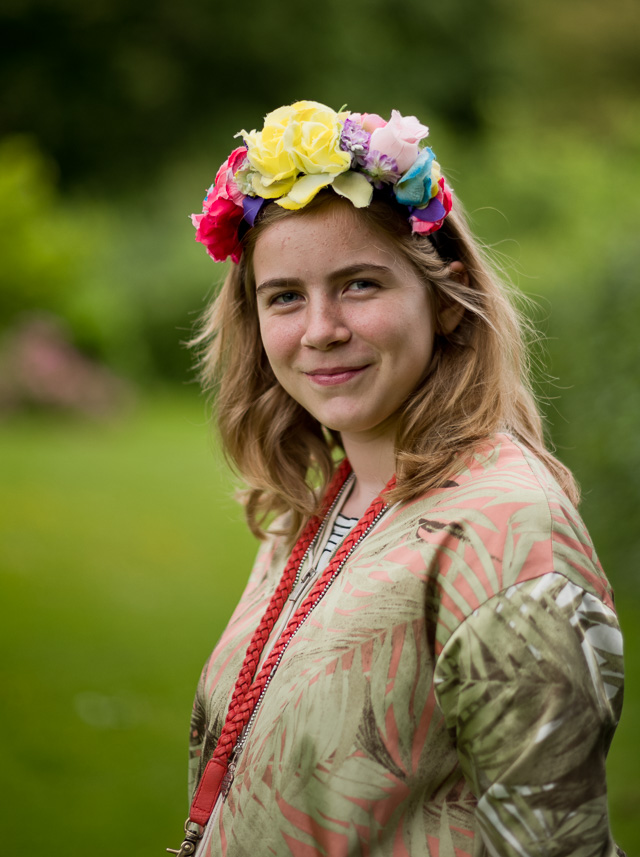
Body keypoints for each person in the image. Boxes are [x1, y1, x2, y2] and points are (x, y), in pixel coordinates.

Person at [171, 101, 625, 857]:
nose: (320, 329)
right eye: (285, 295)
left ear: (443, 301)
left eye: (359, 285)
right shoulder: (315, 504)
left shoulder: (506, 530)